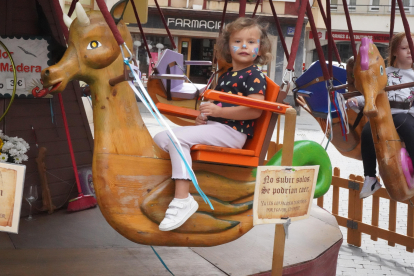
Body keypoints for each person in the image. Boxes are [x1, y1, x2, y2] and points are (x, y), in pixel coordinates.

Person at [153, 17, 272, 231]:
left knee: (174, 138)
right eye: (237, 41)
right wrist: (205, 117)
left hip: (233, 133)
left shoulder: (254, 76)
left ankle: (182, 199)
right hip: (218, 128)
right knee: (161, 137)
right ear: (227, 47)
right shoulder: (227, 76)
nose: (244, 46)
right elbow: (218, 108)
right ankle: (173, 185)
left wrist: (218, 111)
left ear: (261, 49)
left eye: (251, 42)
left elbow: (255, 109)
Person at [347, 32, 414, 199]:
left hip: (405, 113)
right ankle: (370, 176)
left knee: (408, 127)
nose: (409, 52)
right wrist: (357, 100)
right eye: (405, 48)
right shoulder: (385, 72)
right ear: (394, 52)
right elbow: (371, 89)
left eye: (411, 48)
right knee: (367, 132)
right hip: (383, 112)